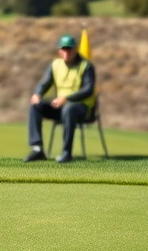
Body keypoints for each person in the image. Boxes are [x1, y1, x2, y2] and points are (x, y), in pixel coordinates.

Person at [23, 34, 96, 164]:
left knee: (69, 109)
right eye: (64, 49)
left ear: (75, 49)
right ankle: (37, 149)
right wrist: (37, 93)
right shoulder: (56, 65)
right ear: (59, 50)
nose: (66, 52)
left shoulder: (86, 66)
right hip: (60, 106)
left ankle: (66, 153)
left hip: (81, 107)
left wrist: (67, 98)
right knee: (36, 106)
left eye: (69, 49)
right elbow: (45, 83)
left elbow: (88, 90)